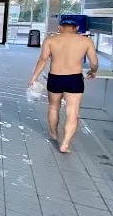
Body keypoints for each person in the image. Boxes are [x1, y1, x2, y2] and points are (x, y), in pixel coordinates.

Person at [28, 19, 98, 153]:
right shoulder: (86, 41)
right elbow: (94, 62)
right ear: (76, 28)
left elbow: (43, 59)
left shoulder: (50, 40)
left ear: (60, 27)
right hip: (74, 79)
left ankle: (54, 134)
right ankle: (64, 144)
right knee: (72, 112)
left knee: (53, 107)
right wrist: (93, 71)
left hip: (55, 78)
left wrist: (34, 78)